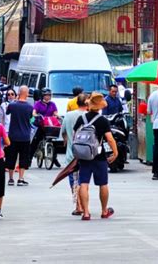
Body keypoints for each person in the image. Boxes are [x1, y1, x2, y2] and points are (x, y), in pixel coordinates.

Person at [73, 92, 118, 220]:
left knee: (83, 183)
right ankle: (104, 211)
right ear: (100, 107)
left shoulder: (81, 119)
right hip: (99, 156)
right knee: (103, 183)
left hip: (83, 156)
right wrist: (115, 153)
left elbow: (75, 134)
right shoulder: (103, 120)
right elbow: (109, 139)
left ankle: (86, 212)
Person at [61, 93, 89, 215]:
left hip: (72, 154)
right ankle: (83, 205)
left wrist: (66, 140)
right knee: (84, 181)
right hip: (87, 154)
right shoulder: (90, 116)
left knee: (74, 181)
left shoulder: (68, 116)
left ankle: (78, 206)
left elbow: (63, 132)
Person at [6, 85, 33, 186]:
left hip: (13, 135)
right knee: (23, 158)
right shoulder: (30, 107)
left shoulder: (12, 105)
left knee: (11, 157)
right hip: (25, 136)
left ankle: (11, 179)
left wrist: (16, 100)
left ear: (18, 93)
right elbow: (31, 118)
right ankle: (21, 178)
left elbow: (8, 112)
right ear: (26, 94)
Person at [30, 87, 59, 163]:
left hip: (49, 126)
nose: (48, 97)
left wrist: (56, 115)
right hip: (40, 125)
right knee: (35, 142)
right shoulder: (38, 103)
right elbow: (34, 112)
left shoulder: (52, 104)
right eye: (46, 95)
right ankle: (28, 160)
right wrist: (35, 115)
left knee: (53, 141)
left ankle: (54, 158)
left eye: (49, 95)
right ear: (43, 95)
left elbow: (55, 112)